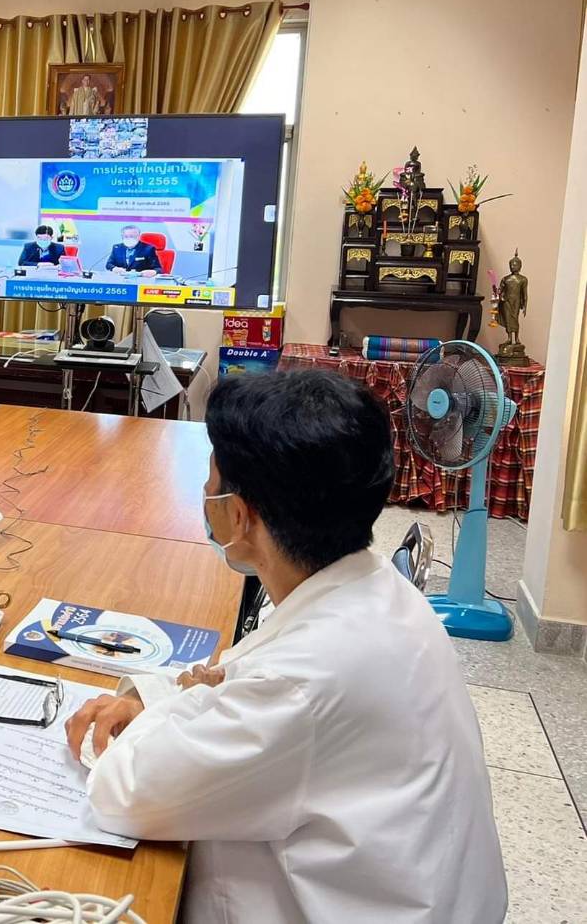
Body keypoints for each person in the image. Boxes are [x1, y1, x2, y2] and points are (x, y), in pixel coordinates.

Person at [63, 371, 506, 923]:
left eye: (210, 483)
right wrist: (156, 699)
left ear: (242, 516)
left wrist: (166, 711)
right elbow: (236, 674)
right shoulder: (369, 587)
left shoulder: (306, 679)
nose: (203, 497)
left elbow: (127, 793)